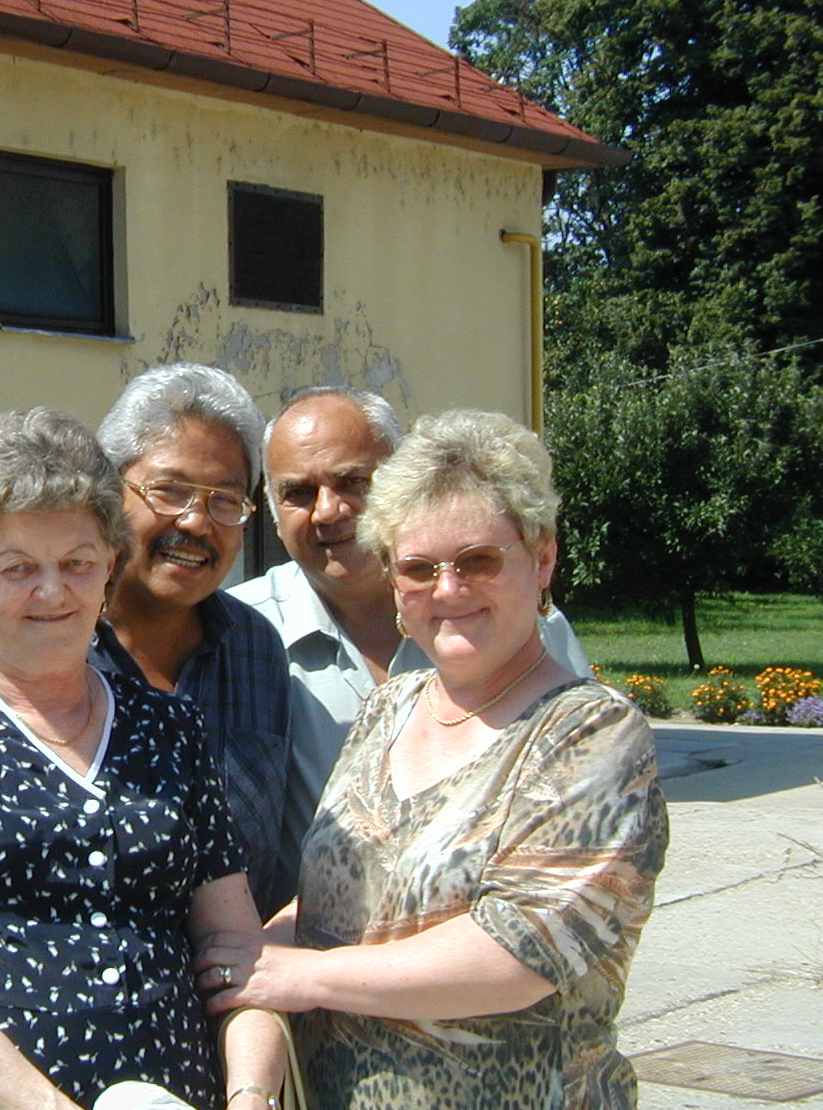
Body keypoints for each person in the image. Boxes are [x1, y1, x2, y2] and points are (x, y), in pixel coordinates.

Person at [199, 409, 668, 1110]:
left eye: (477, 560)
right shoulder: (393, 708)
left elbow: (519, 953)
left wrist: (300, 978)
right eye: (418, 568)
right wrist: (251, 968)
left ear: (541, 557)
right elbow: (336, 901)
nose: (447, 590)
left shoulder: (591, 735)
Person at [0, 407, 283, 1110]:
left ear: (110, 566)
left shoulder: (172, 727)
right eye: (19, 568)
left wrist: (252, 1094)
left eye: (78, 563)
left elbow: (236, 952)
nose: (53, 591)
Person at [0, 363, 296, 917]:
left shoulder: (255, 650)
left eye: (225, 500)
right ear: (110, 495)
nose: (197, 522)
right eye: (169, 490)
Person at [229, 386, 590, 894]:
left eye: (354, 481)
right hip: (310, 951)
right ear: (271, 509)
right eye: (298, 493)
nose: (328, 511)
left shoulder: (523, 627)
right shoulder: (236, 635)